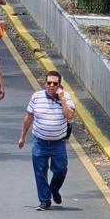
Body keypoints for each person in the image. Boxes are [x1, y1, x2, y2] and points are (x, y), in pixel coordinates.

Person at [18, 71, 76, 210]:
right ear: (45, 83)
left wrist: (61, 99)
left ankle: (54, 189)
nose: (51, 85)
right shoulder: (36, 97)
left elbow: (69, 116)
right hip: (40, 142)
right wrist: (22, 136)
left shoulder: (66, 98)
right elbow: (29, 117)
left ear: (59, 85)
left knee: (61, 170)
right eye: (48, 83)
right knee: (40, 171)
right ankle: (44, 200)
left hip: (58, 144)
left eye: (54, 83)